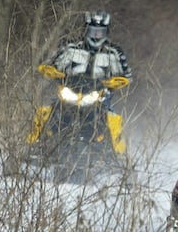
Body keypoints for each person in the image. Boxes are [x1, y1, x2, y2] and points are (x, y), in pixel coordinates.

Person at [29, 9, 132, 149]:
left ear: (106, 31)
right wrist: (52, 71)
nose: (96, 35)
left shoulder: (114, 52)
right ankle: (31, 144)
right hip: (70, 90)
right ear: (86, 29)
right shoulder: (71, 47)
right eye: (93, 31)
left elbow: (126, 74)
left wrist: (115, 82)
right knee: (46, 111)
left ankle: (119, 155)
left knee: (112, 117)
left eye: (100, 32)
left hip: (99, 95)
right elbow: (52, 62)